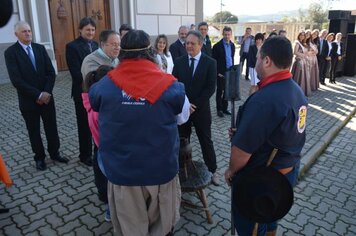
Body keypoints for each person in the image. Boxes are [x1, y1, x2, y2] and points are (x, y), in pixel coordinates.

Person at [89, 29, 190, 236]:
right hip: (160, 170)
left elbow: (95, 104)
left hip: (123, 171)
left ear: (122, 52)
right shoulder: (171, 85)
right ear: (150, 51)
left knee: (130, 230)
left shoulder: (104, 84)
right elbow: (183, 117)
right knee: (162, 230)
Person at [224, 36, 308, 236]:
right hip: (286, 175)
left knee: (250, 228)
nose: (256, 63)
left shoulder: (265, 100)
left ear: (267, 61)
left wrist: (230, 171)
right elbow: (283, 132)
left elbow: (241, 153)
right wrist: (245, 130)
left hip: (261, 182)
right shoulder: (297, 91)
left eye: (259, 58)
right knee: (271, 219)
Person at [4, 21, 68, 171]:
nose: (28, 33)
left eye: (29, 31)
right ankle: (39, 158)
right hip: (29, 101)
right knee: (34, 130)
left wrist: (46, 93)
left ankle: (55, 153)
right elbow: (16, 80)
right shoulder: (11, 53)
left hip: (47, 99)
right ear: (16, 34)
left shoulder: (40, 48)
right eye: (24, 31)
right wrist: (38, 94)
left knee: (51, 127)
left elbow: (51, 73)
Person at [172, 30, 220, 186]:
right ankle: (182, 170)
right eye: (187, 43)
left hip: (201, 111)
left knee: (206, 141)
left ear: (200, 44)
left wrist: (195, 105)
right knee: (182, 140)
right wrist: (185, 104)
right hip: (183, 109)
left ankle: (212, 171)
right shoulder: (179, 62)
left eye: (192, 43)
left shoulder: (210, 62)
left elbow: (210, 88)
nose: (189, 46)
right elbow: (174, 84)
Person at [66, 17, 98, 166]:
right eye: (87, 30)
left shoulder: (97, 44)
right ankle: (84, 155)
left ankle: (97, 149)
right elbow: (76, 72)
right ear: (80, 30)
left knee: (96, 122)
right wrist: (94, 82)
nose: (90, 32)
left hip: (97, 90)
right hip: (82, 91)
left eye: (92, 29)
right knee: (84, 125)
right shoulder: (72, 47)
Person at [82, 65, 113, 221]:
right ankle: (111, 211)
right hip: (108, 152)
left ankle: (110, 208)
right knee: (111, 184)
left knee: (107, 182)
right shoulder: (99, 111)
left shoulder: (92, 102)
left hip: (102, 149)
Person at [212, 26, 235, 117]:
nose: (227, 36)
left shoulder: (232, 45)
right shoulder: (217, 46)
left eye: (228, 34)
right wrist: (217, 72)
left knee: (227, 91)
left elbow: (232, 58)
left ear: (231, 35)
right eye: (225, 34)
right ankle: (219, 109)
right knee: (220, 90)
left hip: (229, 71)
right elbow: (214, 61)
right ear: (222, 34)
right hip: (221, 72)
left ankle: (225, 108)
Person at [291, 30, 311, 97]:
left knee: (303, 77)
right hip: (298, 62)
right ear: (298, 35)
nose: (302, 36)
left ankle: (301, 92)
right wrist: (303, 55)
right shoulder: (297, 43)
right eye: (301, 35)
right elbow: (295, 52)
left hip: (303, 61)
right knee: (297, 77)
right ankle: (295, 92)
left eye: (303, 35)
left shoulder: (302, 43)